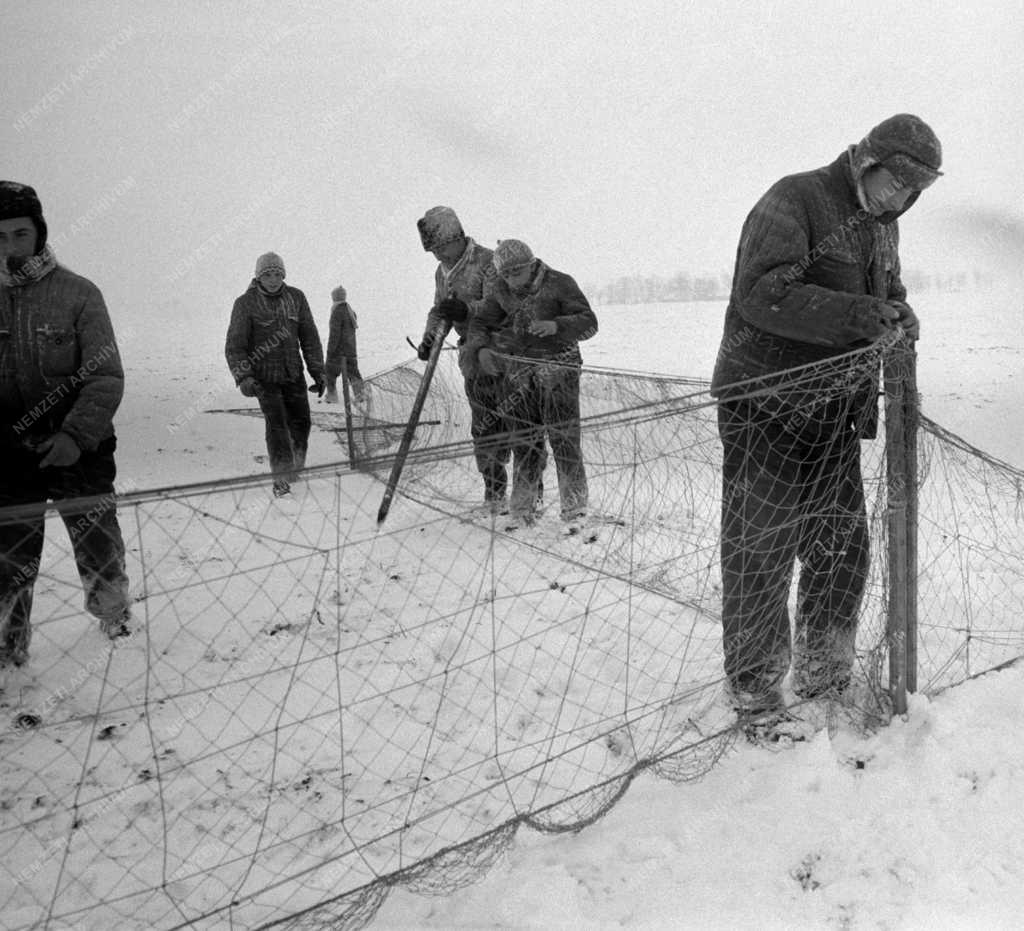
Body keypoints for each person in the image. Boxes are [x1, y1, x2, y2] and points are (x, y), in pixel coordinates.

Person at [710, 114, 942, 732]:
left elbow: (886, 290)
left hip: (832, 412)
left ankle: (824, 673)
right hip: (766, 405)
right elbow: (760, 292)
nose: (902, 199)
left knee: (841, 550)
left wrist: (899, 312)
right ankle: (756, 694)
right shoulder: (795, 199)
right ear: (867, 161)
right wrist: (862, 314)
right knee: (761, 550)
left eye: (914, 191)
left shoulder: (881, 226)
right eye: (896, 182)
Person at [0, 181, 132, 667]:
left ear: (39, 233)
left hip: (81, 447)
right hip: (9, 453)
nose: (10, 248)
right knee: (8, 556)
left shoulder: (79, 295)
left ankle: (114, 618)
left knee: (97, 537)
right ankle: (8, 647)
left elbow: (105, 374)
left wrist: (75, 436)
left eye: (20, 234)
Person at [467, 238, 598, 528]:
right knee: (524, 441)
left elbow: (590, 322)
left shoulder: (560, 283)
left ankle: (575, 511)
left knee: (564, 439)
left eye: (517, 272)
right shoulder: (500, 290)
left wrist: (557, 327)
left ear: (531, 264)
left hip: (559, 371)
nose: (512, 280)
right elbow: (479, 324)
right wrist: (481, 349)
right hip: (519, 375)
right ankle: (524, 508)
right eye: (506, 275)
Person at [416, 206, 512, 510]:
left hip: (504, 356)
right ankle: (494, 493)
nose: (438, 255)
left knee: (518, 425)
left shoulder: (487, 263)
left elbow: (499, 306)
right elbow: (439, 309)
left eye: (442, 247)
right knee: (483, 428)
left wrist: (467, 310)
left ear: (457, 237)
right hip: (472, 360)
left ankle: (528, 494)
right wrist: (429, 339)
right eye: (433, 250)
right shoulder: (441, 272)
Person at [225, 252, 325, 498]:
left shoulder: (296, 298)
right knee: (278, 427)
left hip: (293, 374)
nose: (273, 279)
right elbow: (235, 346)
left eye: (277, 274)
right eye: (267, 275)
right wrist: (244, 377)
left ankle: (294, 469)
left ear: (284, 275)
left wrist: (318, 372)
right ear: (258, 276)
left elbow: (309, 337)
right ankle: (280, 479)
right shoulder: (245, 303)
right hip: (264, 379)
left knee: (301, 423)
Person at [324, 284, 364, 404]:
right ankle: (361, 395)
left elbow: (334, 334)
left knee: (330, 372)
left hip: (338, 350)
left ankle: (331, 396)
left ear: (335, 298)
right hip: (351, 349)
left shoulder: (337, 311)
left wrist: (330, 350)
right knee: (353, 372)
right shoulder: (350, 311)